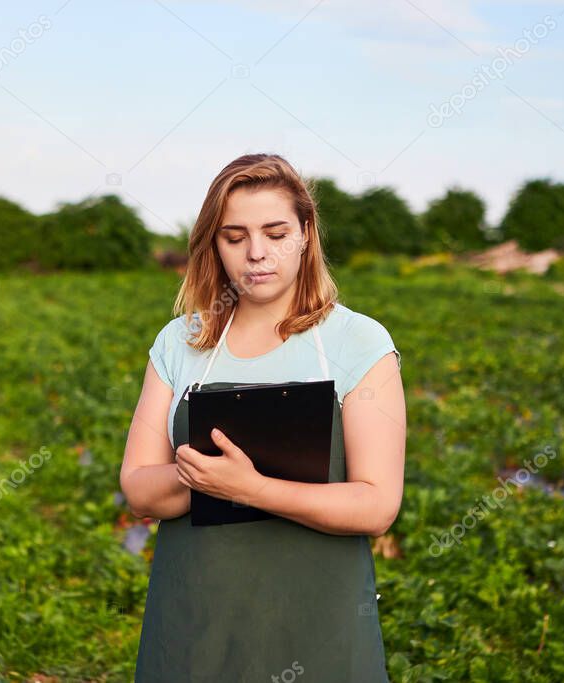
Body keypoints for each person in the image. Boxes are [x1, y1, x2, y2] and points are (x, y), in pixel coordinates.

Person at [120, 153, 406, 682]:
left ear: (305, 234)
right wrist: (202, 478)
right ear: (214, 243)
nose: (256, 254)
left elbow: (376, 504)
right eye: (235, 237)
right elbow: (138, 487)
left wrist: (249, 488)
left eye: (275, 234)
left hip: (319, 619)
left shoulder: (358, 343)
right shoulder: (180, 342)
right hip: (196, 617)